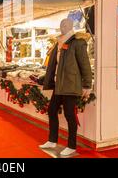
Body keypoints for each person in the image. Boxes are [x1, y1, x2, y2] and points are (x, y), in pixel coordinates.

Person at [39, 18, 93, 157]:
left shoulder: (77, 43)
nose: (63, 26)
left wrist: (87, 84)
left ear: (71, 26)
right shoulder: (59, 43)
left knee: (70, 115)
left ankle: (71, 145)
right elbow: (54, 65)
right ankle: (52, 140)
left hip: (70, 84)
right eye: (61, 24)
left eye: (65, 24)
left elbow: (85, 64)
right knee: (52, 110)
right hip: (59, 85)